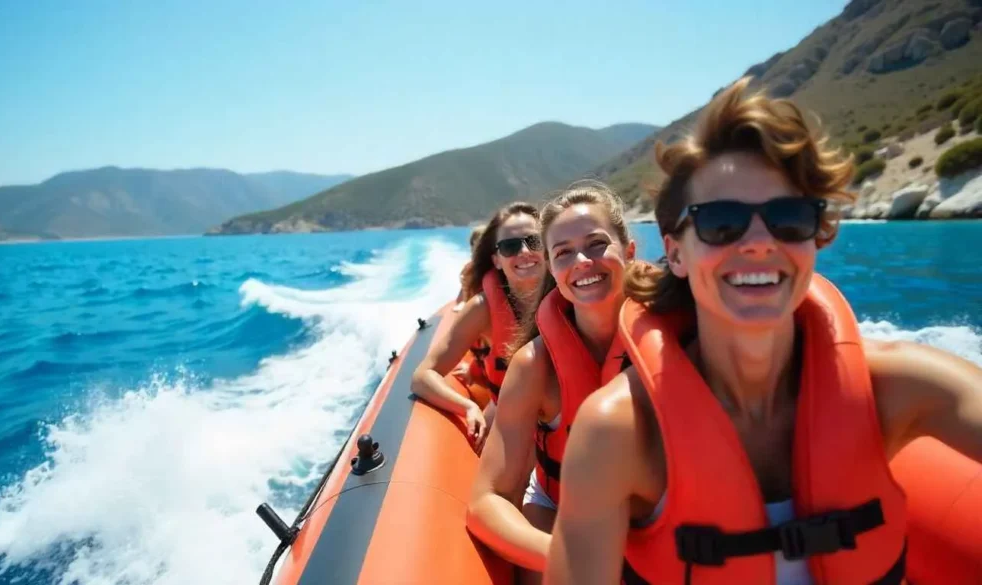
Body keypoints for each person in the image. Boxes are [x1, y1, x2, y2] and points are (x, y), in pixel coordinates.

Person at [544, 77, 982, 585]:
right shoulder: (617, 434)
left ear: (817, 236)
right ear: (677, 251)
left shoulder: (903, 387)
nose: (757, 241)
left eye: (788, 218)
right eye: (722, 222)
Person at [466, 180, 641, 582]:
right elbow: (485, 500)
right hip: (561, 514)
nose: (582, 260)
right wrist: (571, 557)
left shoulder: (678, 342)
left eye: (597, 244)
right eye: (563, 252)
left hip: (655, 524)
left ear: (628, 251)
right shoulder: (534, 367)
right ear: (552, 266)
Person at [412, 202, 545, 451]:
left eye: (534, 241)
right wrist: (467, 406)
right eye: (510, 246)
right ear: (496, 260)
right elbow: (422, 377)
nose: (524, 251)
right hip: (511, 426)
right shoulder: (482, 309)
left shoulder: (574, 294)